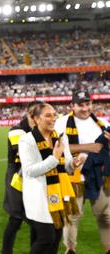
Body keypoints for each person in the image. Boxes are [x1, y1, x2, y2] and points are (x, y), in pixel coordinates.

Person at [19, 102, 83, 254]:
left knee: (55, 238)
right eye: (48, 115)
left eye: (55, 114)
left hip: (59, 196)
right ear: (36, 119)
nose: (53, 118)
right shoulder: (27, 140)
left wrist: (73, 164)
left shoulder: (61, 138)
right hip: (39, 199)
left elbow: (66, 166)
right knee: (46, 238)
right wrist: (54, 158)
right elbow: (29, 171)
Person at [54, 89, 110, 254]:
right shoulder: (61, 123)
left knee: (106, 216)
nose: (85, 108)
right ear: (72, 105)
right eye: (80, 105)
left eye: (88, 104)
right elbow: (58, 148)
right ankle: (70, 249)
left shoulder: (100, 121)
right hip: (72, 177)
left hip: (98, 176)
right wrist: (88, 150)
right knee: (72, 217)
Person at [2, 101, 39, 253]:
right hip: (17, 177)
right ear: (31, 115)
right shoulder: (16, 130)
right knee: (16, 219)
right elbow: (25, 153)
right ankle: (6, 251)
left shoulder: (38, 130)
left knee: (36, 219)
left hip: (34, 175)